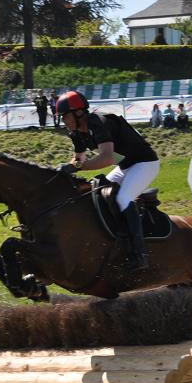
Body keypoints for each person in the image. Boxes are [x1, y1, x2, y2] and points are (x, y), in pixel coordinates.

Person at [56, 90, 160, 271]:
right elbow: (79, 159)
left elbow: (107, 158)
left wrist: (77, 167)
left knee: (123, 199)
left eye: (65, 116)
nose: (63, 120)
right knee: (97, 193)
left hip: (145, 163)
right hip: (126, 166)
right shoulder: (77, 132)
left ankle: (139, 254)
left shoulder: (99, 122)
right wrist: (68, 167)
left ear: (79, 113)